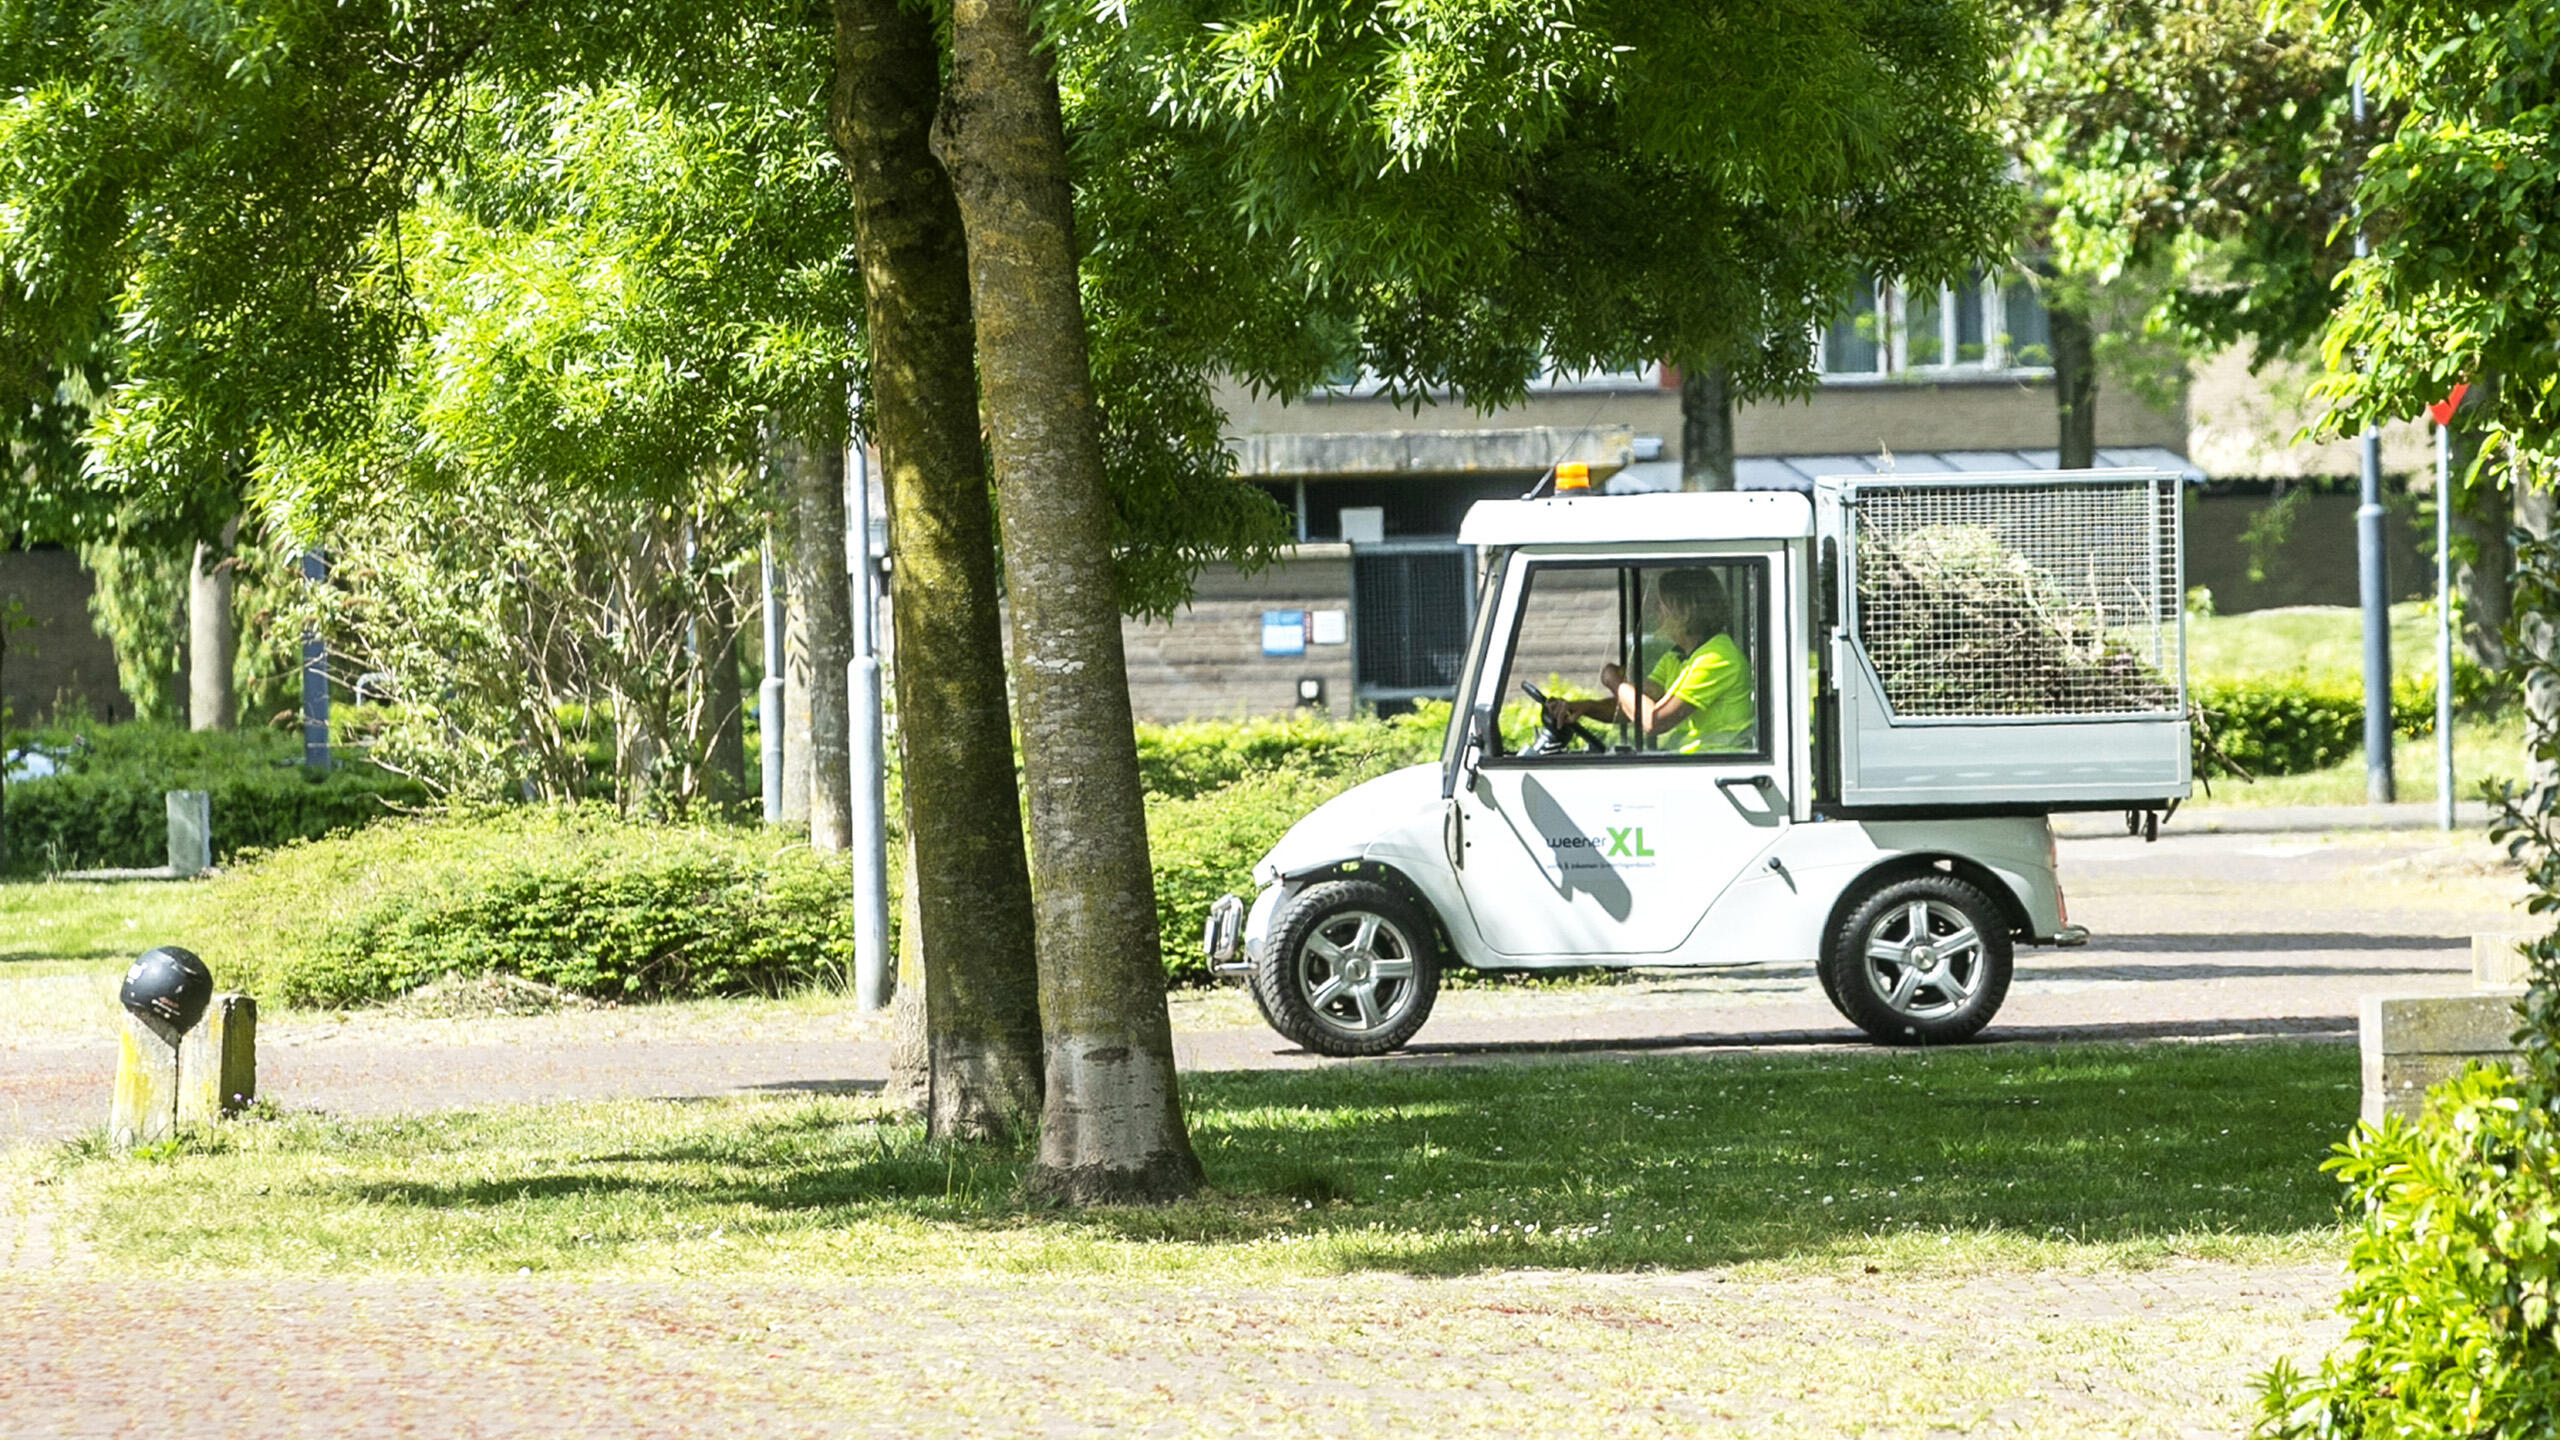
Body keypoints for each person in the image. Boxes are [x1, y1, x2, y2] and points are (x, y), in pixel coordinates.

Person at [1545, 568, 1755, 754]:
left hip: (1716, 766)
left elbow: (1654, 721)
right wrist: (1586, 707)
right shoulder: (1677, 656)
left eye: (1661, 604)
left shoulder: (1717, 658)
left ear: (1685, 611)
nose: (1655, 611)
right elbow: (1635, 707)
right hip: (1692, 763)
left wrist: (1613, 681)